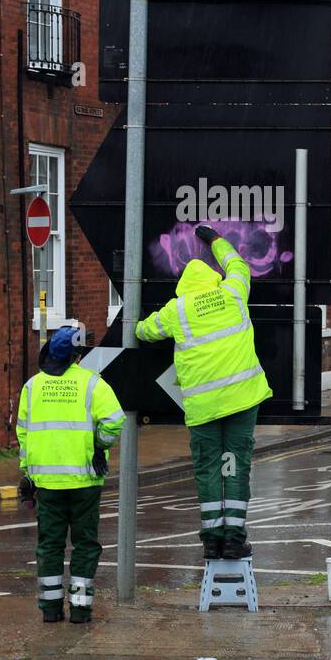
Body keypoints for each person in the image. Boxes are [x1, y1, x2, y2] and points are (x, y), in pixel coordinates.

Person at [135, 225, 271, 561]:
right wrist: (214, 240)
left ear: (185, 285)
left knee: (209, 469)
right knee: (235, 467)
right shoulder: (233, 292)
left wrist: (135, 328)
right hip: (242, 400)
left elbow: (145, 331)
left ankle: (212, 539)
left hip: (203, 407)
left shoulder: (177, 310)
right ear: (212, 278)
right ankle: (235, 540)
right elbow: (238, 264)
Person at [16, 326, 125, 624]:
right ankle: (80, 610)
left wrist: (27, 474)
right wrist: (100, 446)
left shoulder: (32, 386)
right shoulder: (92, 384)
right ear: (78, 357)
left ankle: (50, 610)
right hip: (85, 481)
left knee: (49, 545)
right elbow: (115, 421)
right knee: (85, 545)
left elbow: (24, 435)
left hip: (47, 483)